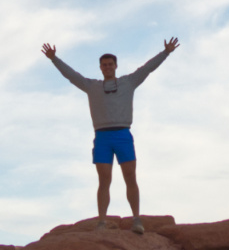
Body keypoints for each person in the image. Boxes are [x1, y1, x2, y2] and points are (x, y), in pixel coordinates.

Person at [41, 38, 179, 233]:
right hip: (102, 137)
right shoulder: (92, 86)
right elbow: (71, 76)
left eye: (110, 64)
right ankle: (102, 222)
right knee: (104, 180)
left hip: (123, 134)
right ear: (100, 67)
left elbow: (147, 68)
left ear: (115, 66)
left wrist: (166, 53)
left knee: (130, 177)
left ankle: (136, 219)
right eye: (104, 65)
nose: (107, 67)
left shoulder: (128, 82)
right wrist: (54, 59)